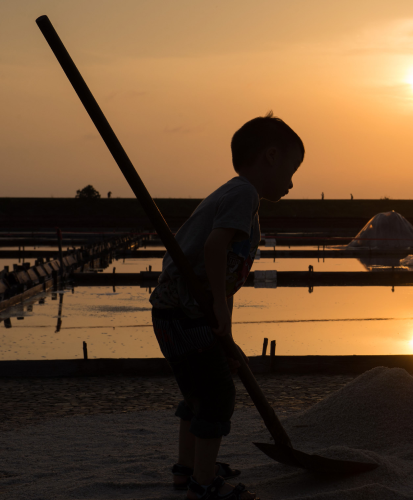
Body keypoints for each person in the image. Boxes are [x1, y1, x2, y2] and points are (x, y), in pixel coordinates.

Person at [150, 111, 303, 500]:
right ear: (271, 156)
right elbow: (214, 248)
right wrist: (217, 303)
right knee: (217, 395)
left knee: (199, 393)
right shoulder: (243, 195)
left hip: (176, 311)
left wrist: (227, 338)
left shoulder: (236, 194)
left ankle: (187, 470)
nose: (291, 182)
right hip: (186, 311)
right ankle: (204, 484)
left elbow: (225, 278)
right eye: (292, 170)